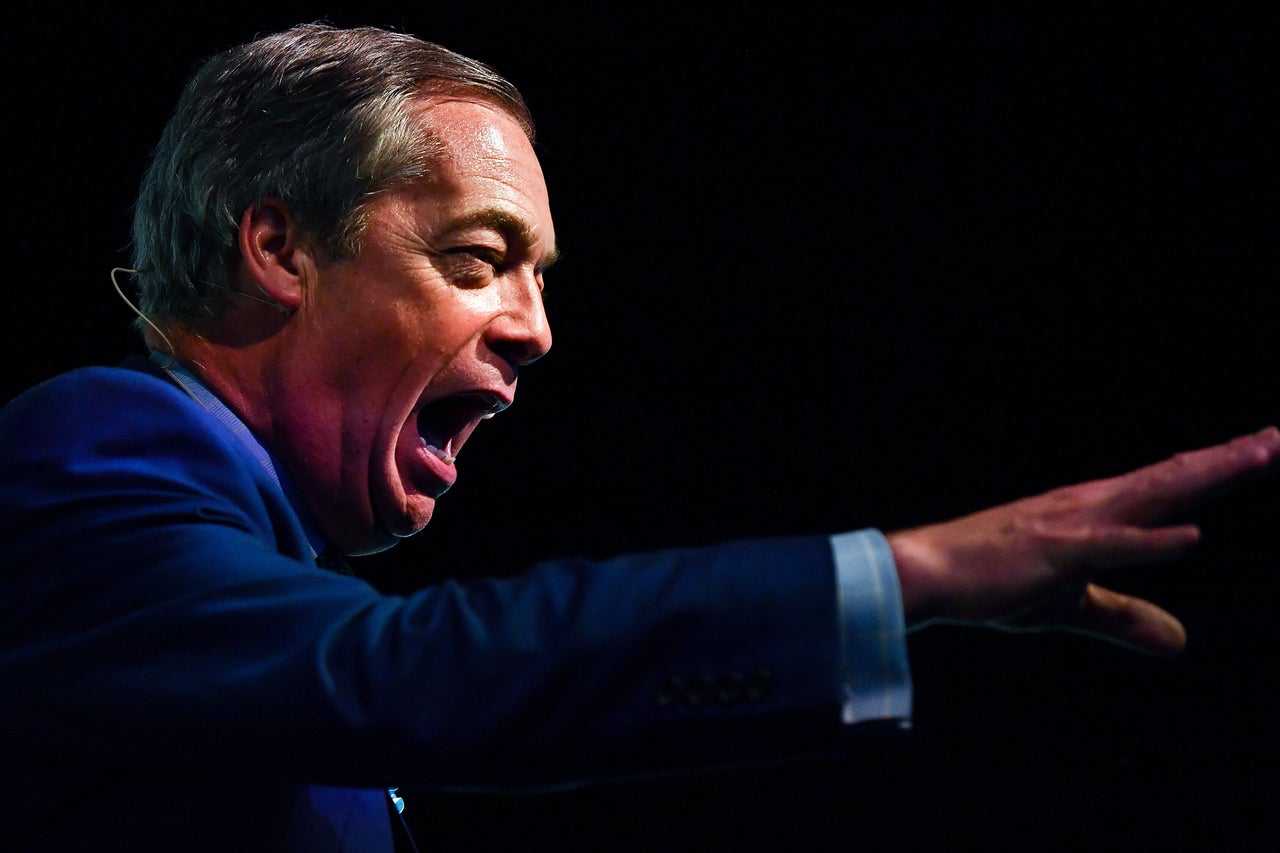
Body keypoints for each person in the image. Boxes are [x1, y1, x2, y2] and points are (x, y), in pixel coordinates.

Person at [0, 21, 1275, 853]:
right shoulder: (91, 451)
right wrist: (909, 575)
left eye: (541, 279)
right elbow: (408, 676)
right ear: (278, 248)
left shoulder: (268, 557)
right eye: (479, 259)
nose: (535, 330)